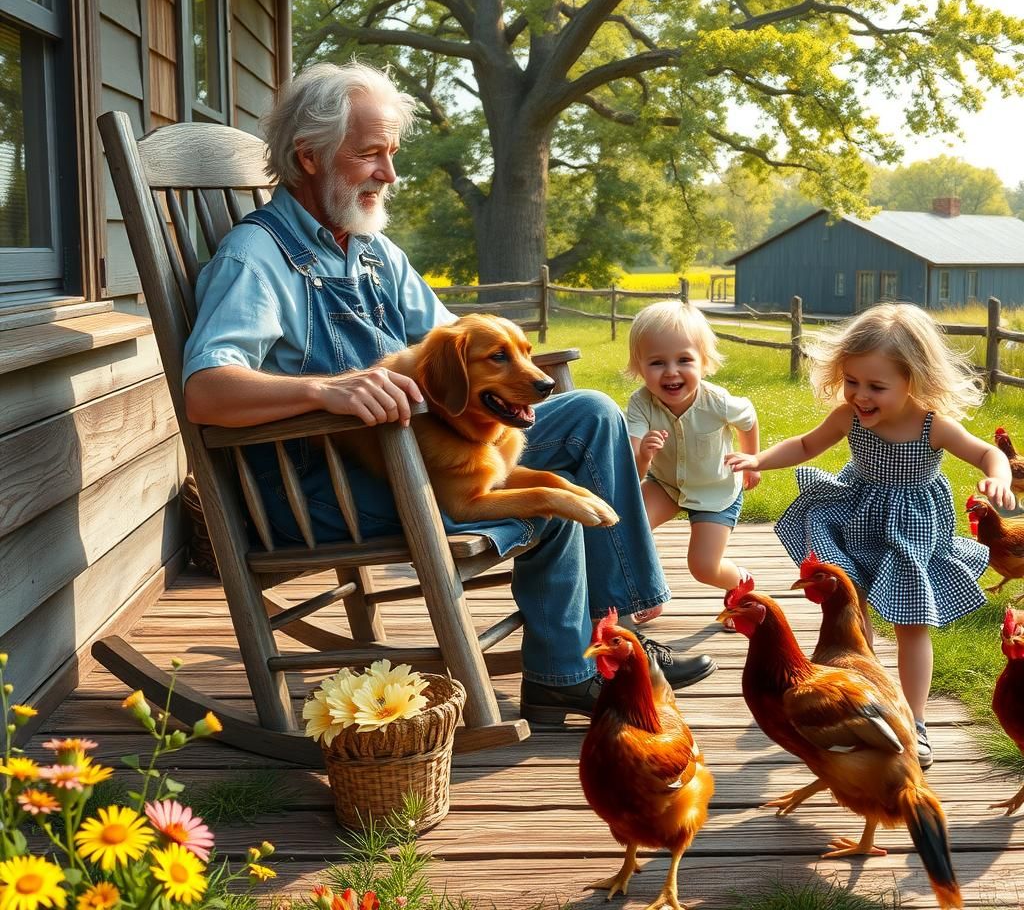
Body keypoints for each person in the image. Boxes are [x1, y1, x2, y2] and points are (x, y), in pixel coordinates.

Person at [181, 60, 716, 726]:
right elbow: (205, 390)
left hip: (417, 455)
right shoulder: (255, 259)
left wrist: (505, 367)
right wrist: (327, 389)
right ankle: (565, 673)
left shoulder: (373, 251)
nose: (389, 174)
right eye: (370, 154)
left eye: (391, 155)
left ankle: (619, 634)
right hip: (326, 488)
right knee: (550, 505)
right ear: (308, 157)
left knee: (589, 417)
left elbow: (453, 344)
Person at [725, 301, 1015, 768]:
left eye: (876, 386)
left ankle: (914, 721)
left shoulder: (931, 425)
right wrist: (759, 460)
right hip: (855, 517)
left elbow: (986, 454)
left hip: (912, 532)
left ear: (914, 380)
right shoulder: (849, 418)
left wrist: (997, 476)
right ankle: (866, 701)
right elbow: (805, 445)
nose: (861, 396)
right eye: (852, 382)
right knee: (851, 616)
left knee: (912, 624)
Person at [625, 301, 761, 618]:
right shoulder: (640, 404)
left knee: (703, 566)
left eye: (684, 360)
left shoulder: (717, 402)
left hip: (716, 491)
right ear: (639, 367)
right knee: (628, 529)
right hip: (666, 484)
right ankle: (649, 593)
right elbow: (633, 468)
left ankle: (740, 583)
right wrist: (644, 454)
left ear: (703, 362)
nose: (671, 371)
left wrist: (751, 459)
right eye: (657, 362)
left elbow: (748, 418)